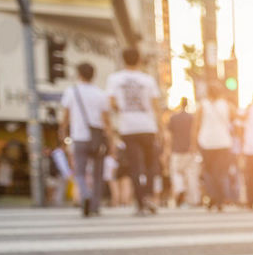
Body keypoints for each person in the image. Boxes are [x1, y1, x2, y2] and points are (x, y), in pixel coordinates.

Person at [106, 46, 163, 215]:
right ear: (139, 59)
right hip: (148, 127)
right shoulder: (147, 80)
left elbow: (111, 102)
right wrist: (161, 128)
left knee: (135, 166)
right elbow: (156, 106)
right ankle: (148, 196)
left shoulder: (115, 79)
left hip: (128, 127)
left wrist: (121, 110)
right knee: (151, 164)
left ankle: (140, 201)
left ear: (123, 60)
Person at [58, 62, 111, 216]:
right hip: (97, 137)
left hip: (79, 136)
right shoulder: (100, 93)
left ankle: (85, 195)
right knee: (97, 173)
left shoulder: (71, 92)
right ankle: (95, 204)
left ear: (79, 74)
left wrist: (62, 132)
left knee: (79, 172)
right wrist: (111, 140)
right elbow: (106, 120)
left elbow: (66, 116)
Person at [194, 81, 235, 211]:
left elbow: (195, 126)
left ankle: (212, 197)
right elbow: (238, 119)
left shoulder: (202, 105)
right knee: (221, 172)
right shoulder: (227, 105)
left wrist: (193, 144)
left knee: (209, 172)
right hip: (223, 142)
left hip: (206, 142)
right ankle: (221, 199)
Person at [166, 98, 200, 208]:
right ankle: (193, 199)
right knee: (191, 174)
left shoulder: (173, 118)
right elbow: (195, 133)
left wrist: (168, 149)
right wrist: (194, 147)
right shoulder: (192, 118)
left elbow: (169, 136)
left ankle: (180, 188)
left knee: (176, 172)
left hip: (176, 149)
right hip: (190, 150)